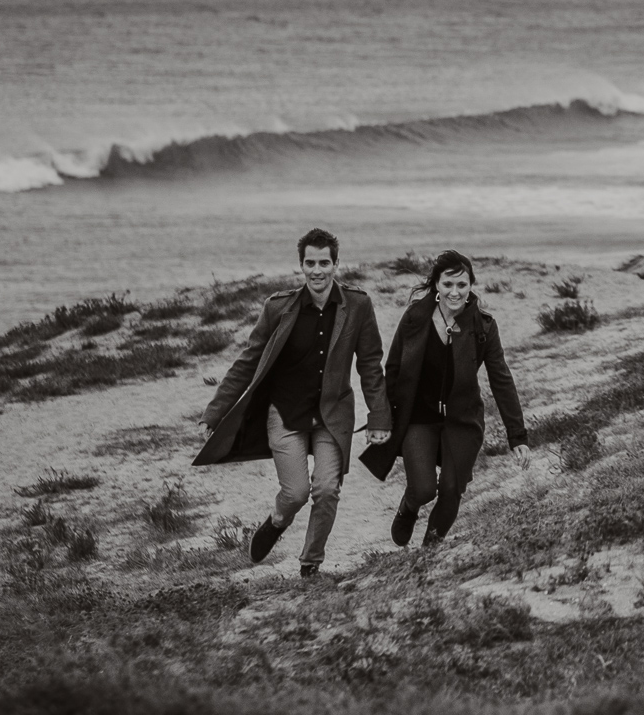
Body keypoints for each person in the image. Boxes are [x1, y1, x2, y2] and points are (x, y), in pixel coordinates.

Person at [193, 227, 392, 577]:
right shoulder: (279, 308)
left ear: (336, 264)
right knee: (297, 492)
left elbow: (370, 365)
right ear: (301, 265)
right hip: (285, 413)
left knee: (327, 490)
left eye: (324, 263)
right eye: (310, 263)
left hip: (332, 415)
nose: (318, 271)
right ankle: (278, 519)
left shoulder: (357, 305)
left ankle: (310, 564)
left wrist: (379, 416)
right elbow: (248, 360)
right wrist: (214, 413)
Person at [360, 249, 530, 546]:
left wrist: (517, 436)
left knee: (451, 489)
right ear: (436, 285)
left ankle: (429, 553)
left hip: (462, 420)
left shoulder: (483, 327)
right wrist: (381, 417)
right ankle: (408, 507)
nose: (455, 292)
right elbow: (395, 368)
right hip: (419, 418)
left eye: (462, 285)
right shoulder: (415, 317)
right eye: (448, 284)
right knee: (424, 489)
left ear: (470, 286)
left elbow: (501, 379)